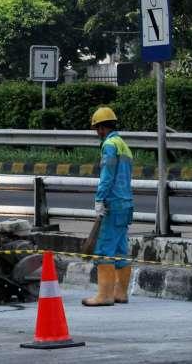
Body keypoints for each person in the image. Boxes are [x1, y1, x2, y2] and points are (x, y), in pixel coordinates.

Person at [82, 107, 134, 307]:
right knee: (120, 249)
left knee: (104, 249)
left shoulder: (110, 145)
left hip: (112, 204)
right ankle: (120, 293)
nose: (97, 132)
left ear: (103, 128)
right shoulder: (123, 144)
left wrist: (99, 199)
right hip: (126, 203)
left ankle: (104, 296)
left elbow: (107, 175)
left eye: (97, 128)